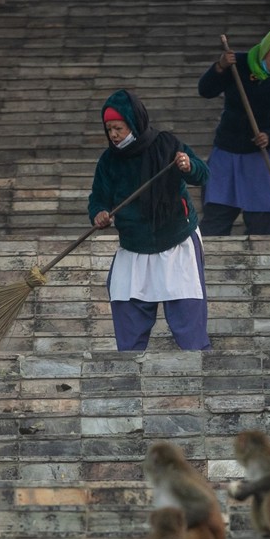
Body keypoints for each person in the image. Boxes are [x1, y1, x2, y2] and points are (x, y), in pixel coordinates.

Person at [89, 89, 213, 351]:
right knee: (126, 304)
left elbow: (202, 175)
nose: (113, 134)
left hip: (175, 238)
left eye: (118, 128)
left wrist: (188, 165)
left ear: (134, 122)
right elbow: (98, 198)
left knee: (186, 309)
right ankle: (129, 365)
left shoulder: (166, 144)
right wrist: (99, 214)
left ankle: (198, 360)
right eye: (109, 128)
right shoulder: (109, 161)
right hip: (134, 244)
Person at [198, 28, 270, 236]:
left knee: (263, 219)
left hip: (262, 156)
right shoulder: (239, 65)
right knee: (217, 213)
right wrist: (220, 67)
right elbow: (206, 90)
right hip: (228, 149)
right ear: (265, 49)